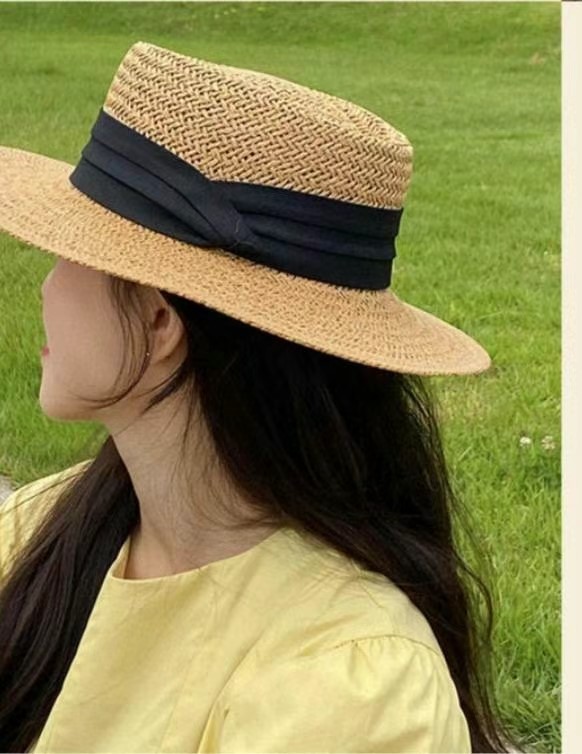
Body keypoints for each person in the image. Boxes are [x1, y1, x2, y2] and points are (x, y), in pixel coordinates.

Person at [0, 41, 521, 753]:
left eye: (72, 254)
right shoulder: (43, 526)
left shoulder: (342, 684)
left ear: (159, 321)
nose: (46, 287)